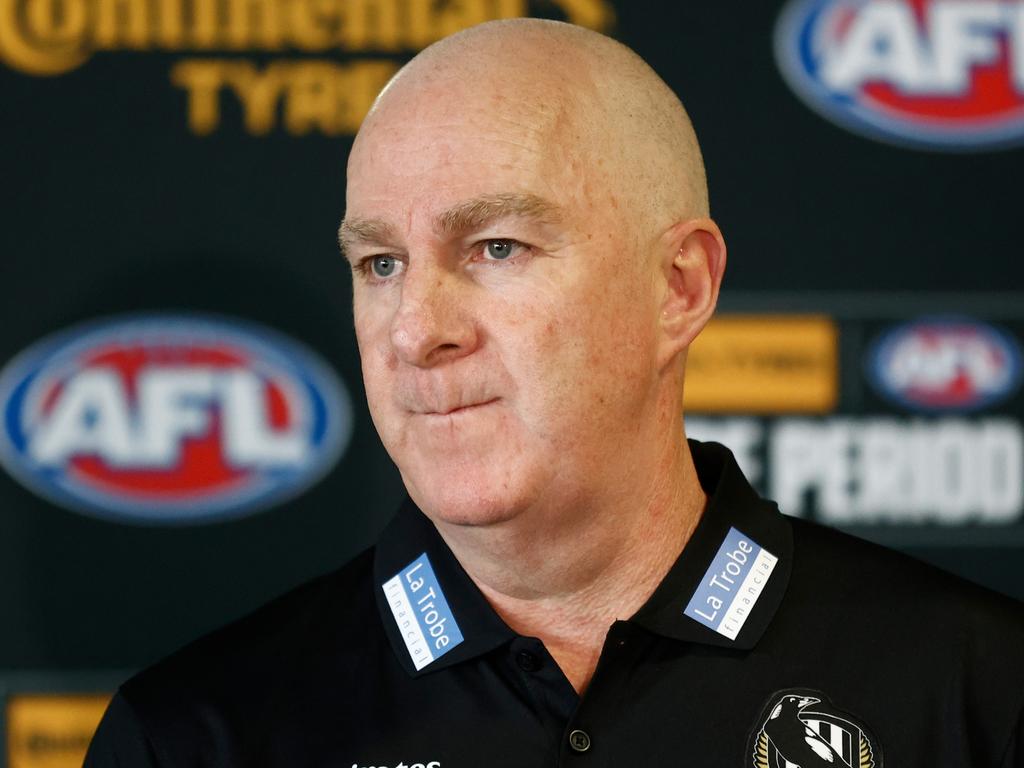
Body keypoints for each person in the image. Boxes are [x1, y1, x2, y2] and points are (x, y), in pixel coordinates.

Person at [85, 18, 1024, 768]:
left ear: (679, 288)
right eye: (380, 262)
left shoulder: (978, 693)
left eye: (496, 247)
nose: (416, 330)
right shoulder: (193, 737)